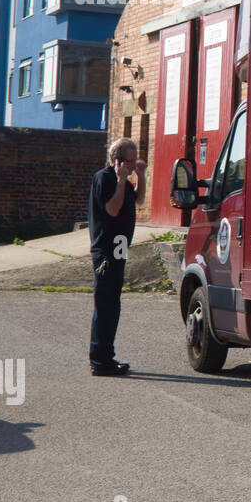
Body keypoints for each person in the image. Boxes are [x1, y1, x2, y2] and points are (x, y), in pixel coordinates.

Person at [88, 138, 145, 376]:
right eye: (130, 162)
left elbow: (139, 200)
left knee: (113, 304)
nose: (133, 165)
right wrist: (122, 180)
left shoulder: (125, 180)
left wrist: (140, 176)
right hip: (106, 251)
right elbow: (112, 209)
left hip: (119, 249)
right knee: (105, 305)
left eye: (134, 161)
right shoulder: (106, 178)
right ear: (116, 160)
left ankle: (106, 356)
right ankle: (100, 361)